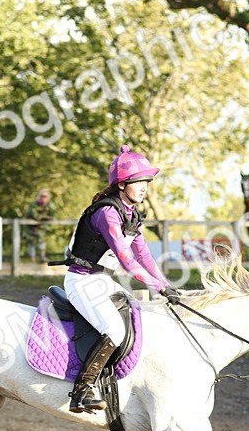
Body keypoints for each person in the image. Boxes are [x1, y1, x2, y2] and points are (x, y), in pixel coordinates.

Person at [57, 145, 178, 413]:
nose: (144, 187)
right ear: (122, 184)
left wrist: (167, 286)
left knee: (139, 315)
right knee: (114, 329)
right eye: (139, 182)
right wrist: (157, 287)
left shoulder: (132, 215)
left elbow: (144, 256)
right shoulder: (107, 213)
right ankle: (82, 391)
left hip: (103, 281)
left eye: (147, 182)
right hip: (81, 281)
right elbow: (127, 260)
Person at [22, 189, 56, 262]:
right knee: (31, 242)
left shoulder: (50, 205)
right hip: (31, 227)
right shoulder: (34, 204)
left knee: (42, 242)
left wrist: (45, 218)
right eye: (42, 196)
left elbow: (53, 216)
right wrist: (46, 218)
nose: (43, 198)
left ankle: (42, 258)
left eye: (45, 196)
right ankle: (32, 260)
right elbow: (36, 216)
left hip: (41, 227)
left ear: (48, 197)